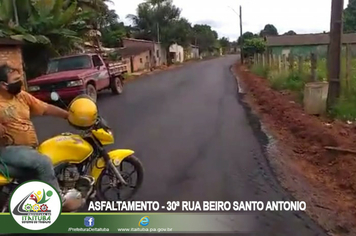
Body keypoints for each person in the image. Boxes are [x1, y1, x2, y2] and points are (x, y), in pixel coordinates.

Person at [0, 61, 68, 206]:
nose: (19, 83)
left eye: (20, 79)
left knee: (37, 171)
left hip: (27, 151)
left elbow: (45, 108)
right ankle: (58, 201)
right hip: (8, 150)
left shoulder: (21, 96)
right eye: (15, 81)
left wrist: (68, 115)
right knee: (43, 162)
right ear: (3, 85)